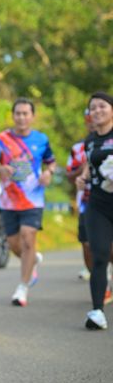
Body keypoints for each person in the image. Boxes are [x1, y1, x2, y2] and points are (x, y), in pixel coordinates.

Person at [0, 98, 56, 307]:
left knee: (28, 237)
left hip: (33, 198)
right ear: (13, 115)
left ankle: (22, 288)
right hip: (9, 200)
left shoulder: (41, 139)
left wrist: (48, 173)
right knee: (15, 245)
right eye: (18, 113)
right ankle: (32, 259)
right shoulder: (2, 139)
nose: (21, 117)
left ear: (32, 116)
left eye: (26, 113)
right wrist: (1, 168)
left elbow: (51, 162)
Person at [66, 110, 112, 304]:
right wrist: (82, 175)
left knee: (106, 248)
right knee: (90, 246)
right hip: (89, 203)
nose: (93, 120)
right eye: (90, 117)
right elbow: (73, 174)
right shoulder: (84, 145)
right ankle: (101, 292)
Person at [76, 92, 113, 330]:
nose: (97, 111)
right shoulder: (89, 141)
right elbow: (90, 166)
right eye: (93, 108)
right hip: (98, 204)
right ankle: (97, 311)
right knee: (99, 255)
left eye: (102, 106)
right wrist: (83, 178)